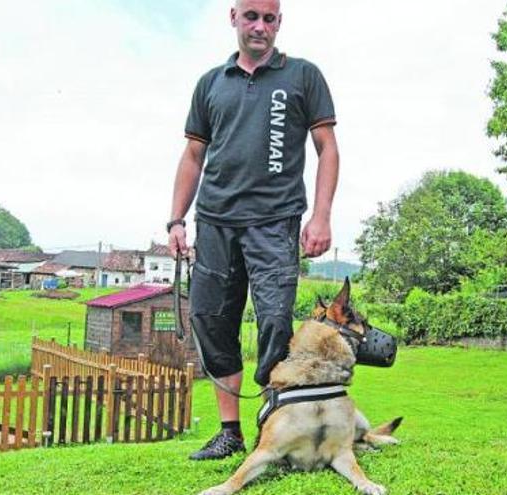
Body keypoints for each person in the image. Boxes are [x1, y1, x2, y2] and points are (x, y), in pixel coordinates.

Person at [167, 0, 339, 461]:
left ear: (279, 22)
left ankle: (274, 427)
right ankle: (229, 433)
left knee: (275, 323)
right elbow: (192, 156)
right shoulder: (211, 84)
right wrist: (177, 218)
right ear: (234, 18)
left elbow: (328, 148)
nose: (259, 26)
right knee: (209, 320)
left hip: (274, 222)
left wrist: (320, 215)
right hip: (217, 221)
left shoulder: (302, 76)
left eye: (269, 18)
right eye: (251, 16)